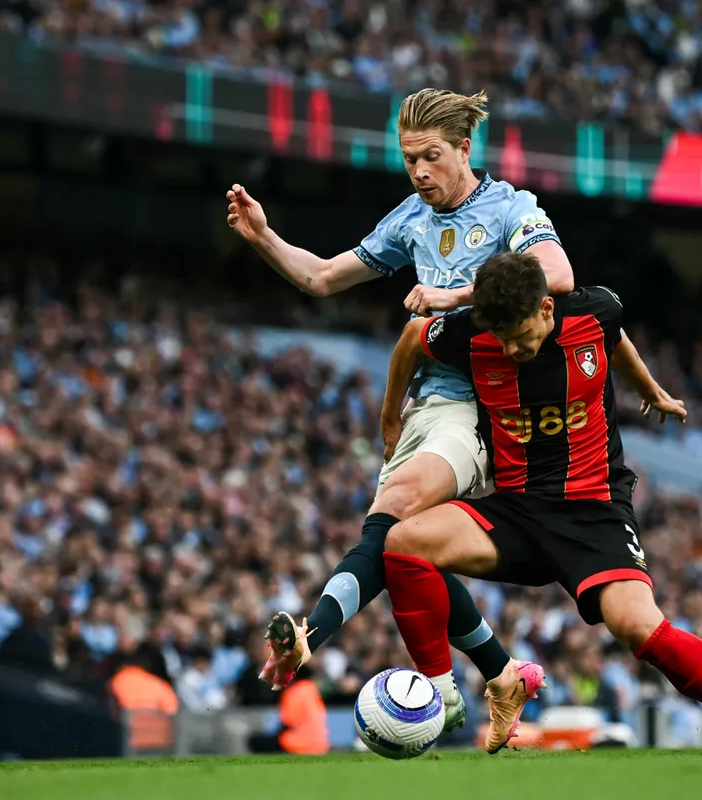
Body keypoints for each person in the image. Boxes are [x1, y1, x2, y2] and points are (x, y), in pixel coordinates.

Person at [226, 88, 575, 731]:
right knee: (400, 547)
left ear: (464, 149)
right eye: (409, 158)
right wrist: (265, 237)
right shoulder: (410, 218)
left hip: (479, 405)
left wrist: (455, 296)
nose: (419, 171)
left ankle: (319, 639)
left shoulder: (510, 209)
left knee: (397, 509)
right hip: (424, 405)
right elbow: (322, 277)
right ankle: (501, 673)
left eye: (431, 156)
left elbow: (556, 274)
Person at [375, 252, 702, 756]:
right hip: (516, 510)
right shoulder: (469, 333)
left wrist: (651, 390)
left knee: (637, 627)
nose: (511, 349)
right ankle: (440, 690)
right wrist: (390, 419)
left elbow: (613, 339)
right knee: (403, 542)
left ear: (545, 308)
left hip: (593, 509)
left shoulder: (595, 311)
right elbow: (413, 337)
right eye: (501, 338)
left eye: (520, 334)